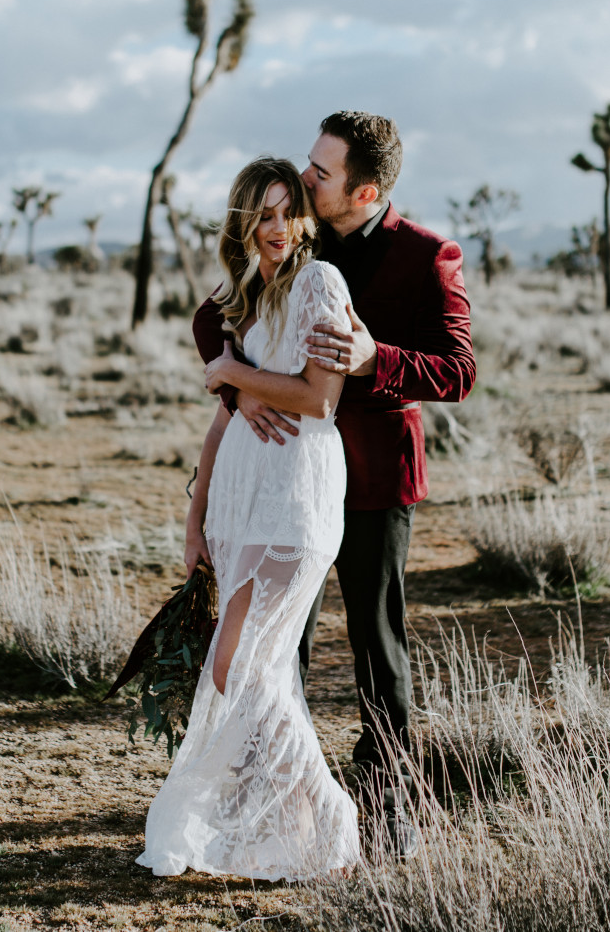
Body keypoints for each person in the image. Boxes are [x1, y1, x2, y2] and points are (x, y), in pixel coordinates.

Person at [191, 111, 476, 854]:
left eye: (322, 173)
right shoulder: (293, 241)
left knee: (377, 646)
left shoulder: (426, 255)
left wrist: (374, 358)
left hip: (374, 478)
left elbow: (458, 369)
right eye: (310, 165)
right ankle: (272, 798)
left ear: (365, 189)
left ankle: (387, 804)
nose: (307, 177)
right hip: (289, 476)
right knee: (280, 644)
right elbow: (212, 316)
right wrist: (240, 392)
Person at [137, 156, 361, 881]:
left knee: (240, 664)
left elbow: (319, 398)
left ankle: (330, 818)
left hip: (295, 503)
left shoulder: (319, 283)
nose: (276, 227)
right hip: (241, 503)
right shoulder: (251, 296)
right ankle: (288, 822)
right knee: (249, 670)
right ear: (242, 223)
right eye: (261, 215)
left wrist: (232, 372)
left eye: (287, 210)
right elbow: (223, 422)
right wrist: (196, 515)